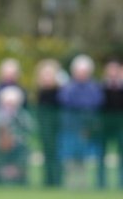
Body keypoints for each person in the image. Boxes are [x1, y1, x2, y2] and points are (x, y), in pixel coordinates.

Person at [58, 54, 105, 188]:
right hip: (70, 127)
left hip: (87, 129)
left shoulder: (94, 87)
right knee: (70, 157)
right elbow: (65, 100)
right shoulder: (68, 87)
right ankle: (71, 183)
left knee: (85, 158)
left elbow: (96, 102)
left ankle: (83, 183)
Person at [0, 86, 34, 184]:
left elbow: (29, 129)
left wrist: (15, 138)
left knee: (24, 149)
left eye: (12, 104)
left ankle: (18, 173)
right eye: (7, 103)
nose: (9, 106)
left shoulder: (22, 115)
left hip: (18, 146)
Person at [35, 59, 62, 186]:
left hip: (57, 129)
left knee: (56, 154)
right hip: (45, 129)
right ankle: (48, 180)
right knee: (47, 154)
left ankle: (57, 179)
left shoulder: (60, 92)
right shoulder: (40, 92)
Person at [100, 60, 123, 188]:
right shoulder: (101, 87)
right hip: (105, 126)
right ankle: (101, 183)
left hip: (120, 126)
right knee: (102, 154)